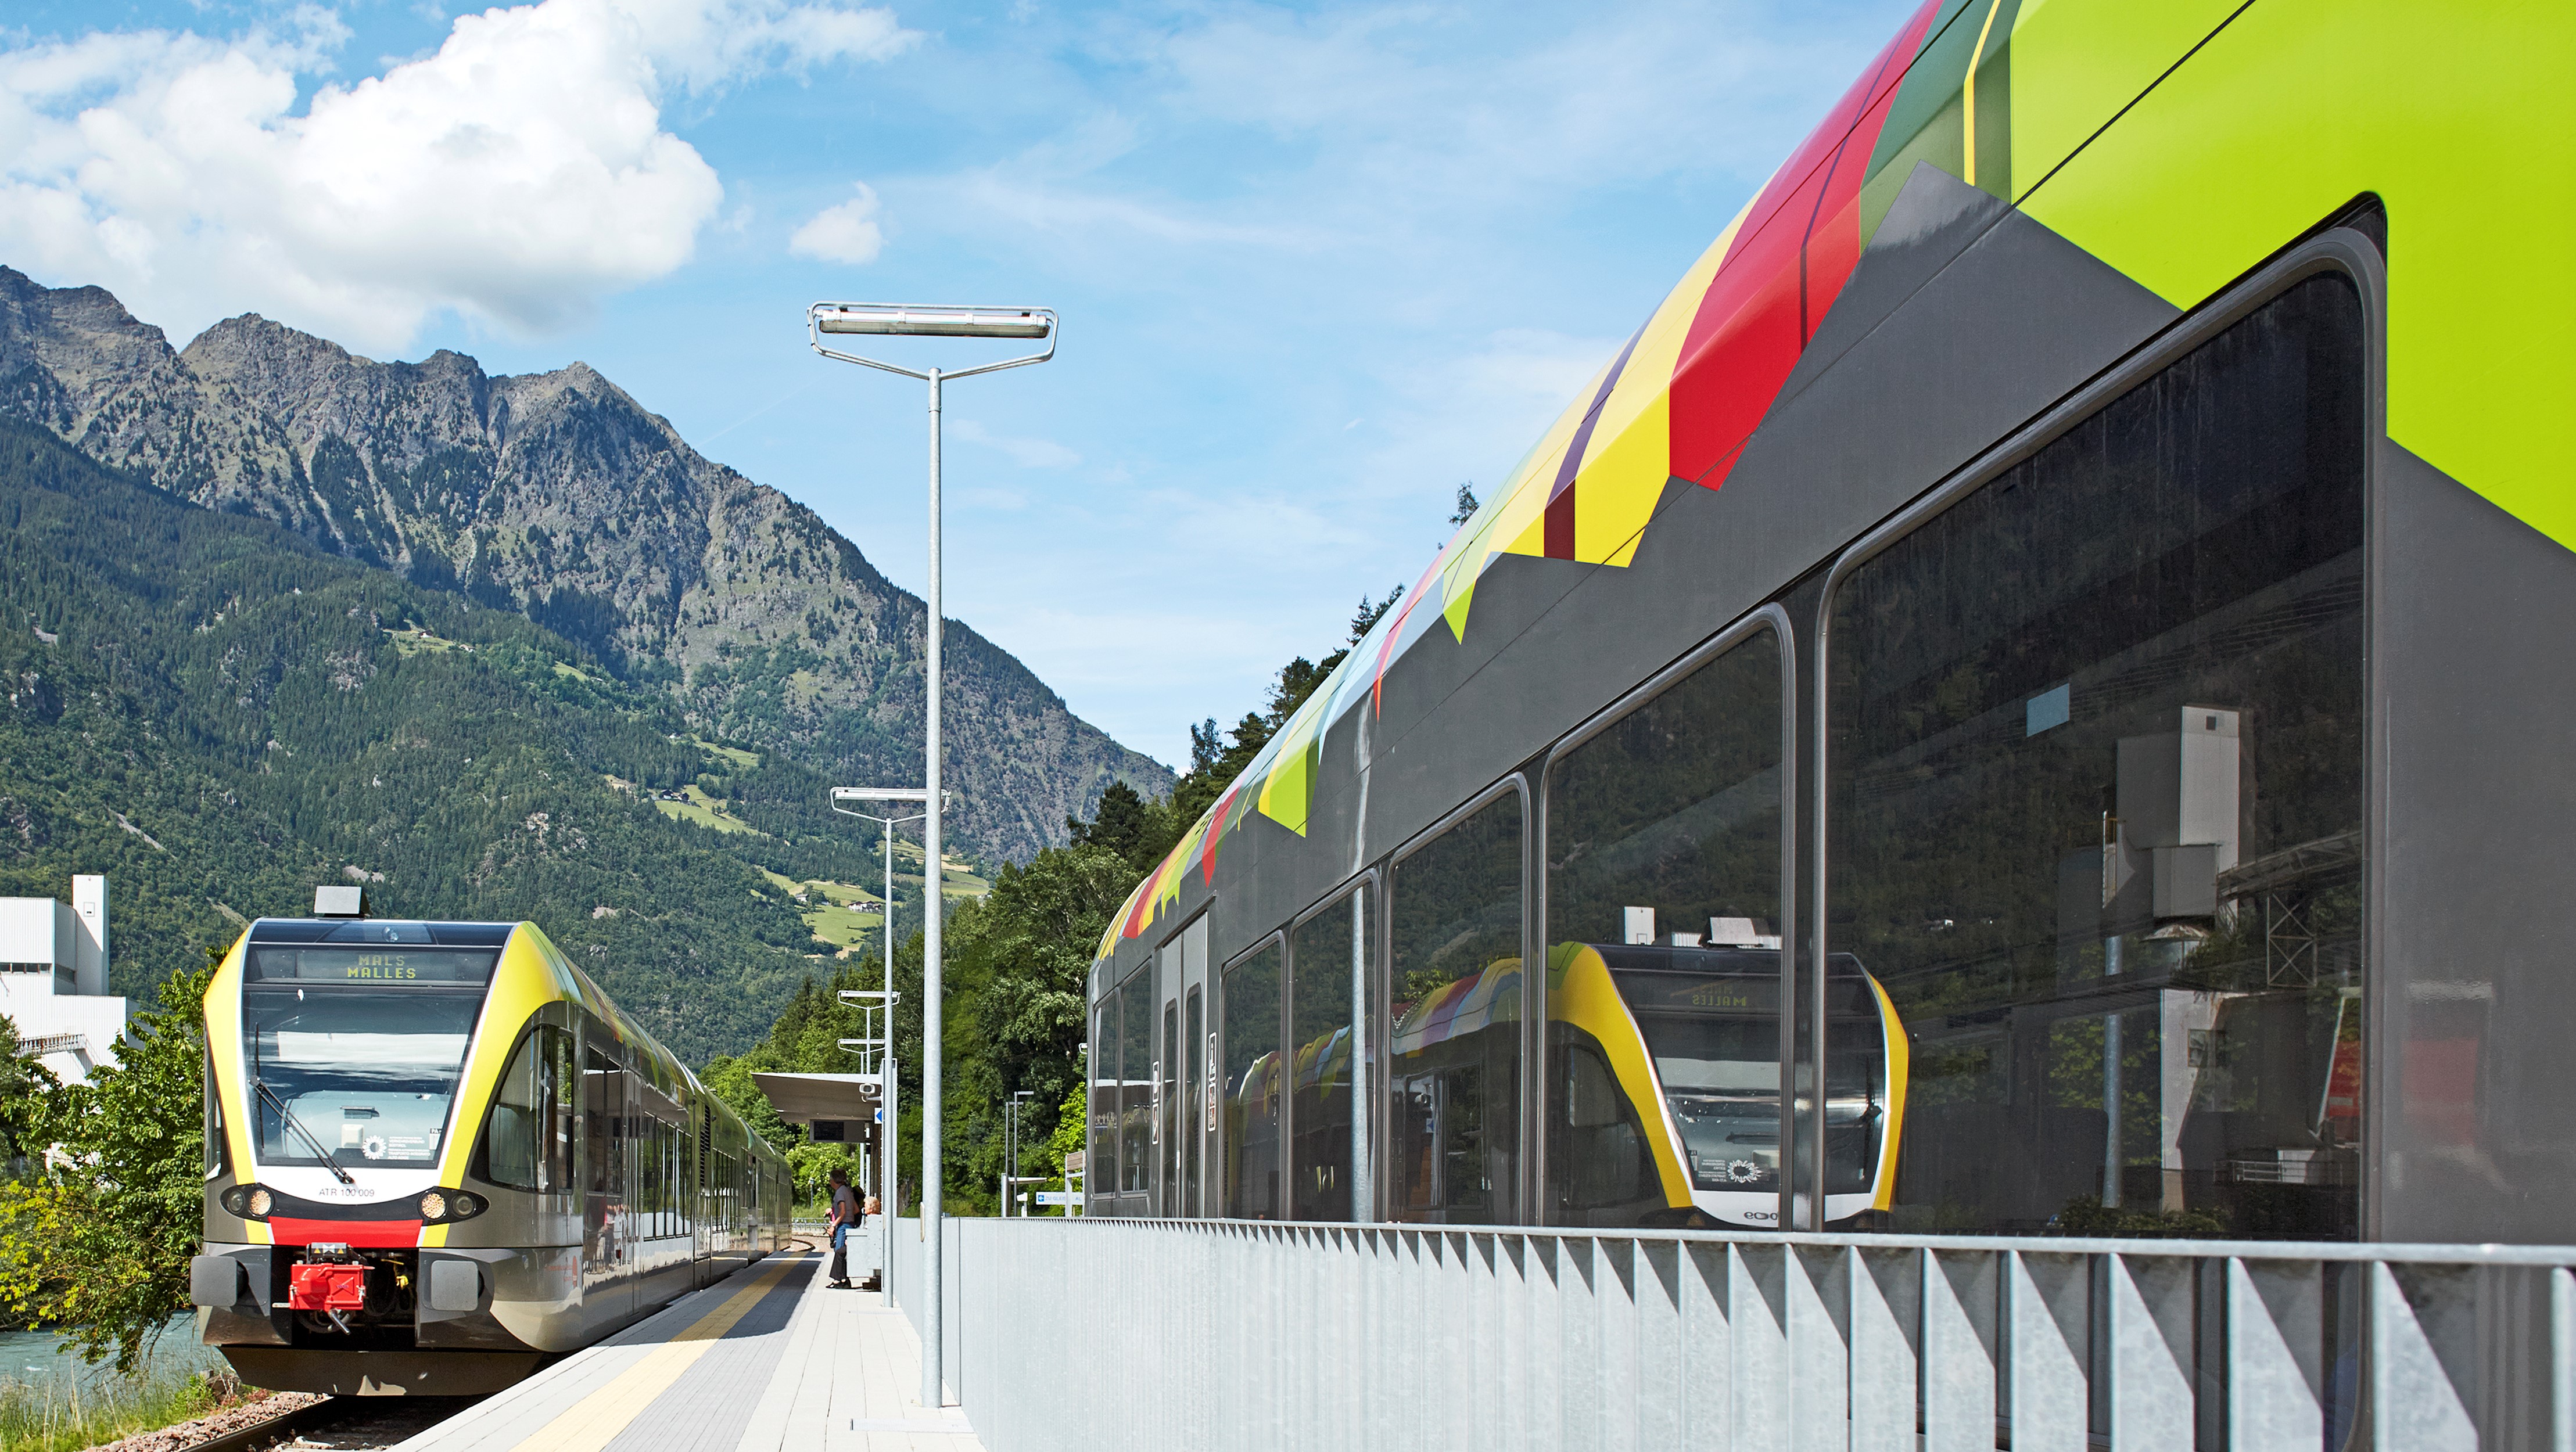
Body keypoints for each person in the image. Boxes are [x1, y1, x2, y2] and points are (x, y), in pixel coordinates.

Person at [825, 1167, 861, 1289]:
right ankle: (843, 1279)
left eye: (831, 1179)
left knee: (839, 1252)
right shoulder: (848, 1191)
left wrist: (833, 1225)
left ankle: (840, 1280)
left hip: (843, 1226)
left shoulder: (840, 1192)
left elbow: (843, 1211)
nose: (830, 1182)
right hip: (850, 1224)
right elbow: (856, 1210)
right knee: (843, 1253)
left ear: (835, 1180)